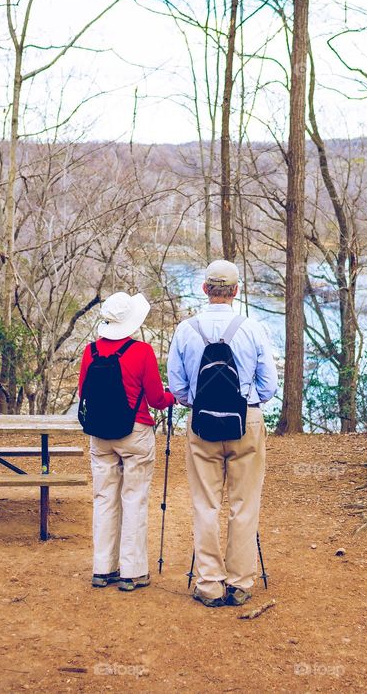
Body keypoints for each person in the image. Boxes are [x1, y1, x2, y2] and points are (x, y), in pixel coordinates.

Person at [168, 260, 278, 607]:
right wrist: (247, 401)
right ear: (236, 291)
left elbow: (177, 387)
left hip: (201, 424)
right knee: (244, 503)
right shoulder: (253, 328)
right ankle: (241, 582)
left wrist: (198, 402)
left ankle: (209, 583)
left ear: (204, 289)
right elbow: (269, 385)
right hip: (246, 421)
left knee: (206, 504)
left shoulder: (186, 330)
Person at [78, 291, 175, 592]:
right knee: (134, 499)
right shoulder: (142, 351)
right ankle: (132, 573)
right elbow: (157, 400)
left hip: (100, 435)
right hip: (134, 433)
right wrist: (174, 397)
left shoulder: (90, 352)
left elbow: (84, 394)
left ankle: (102, 569)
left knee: (104, 499)